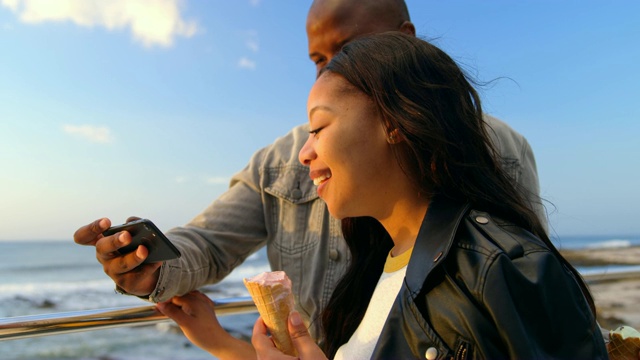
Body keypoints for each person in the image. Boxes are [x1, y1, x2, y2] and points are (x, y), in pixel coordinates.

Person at [74, 0, 544, 342]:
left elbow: (527, 287)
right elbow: (209, 244)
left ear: (405, 40)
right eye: (318, 60)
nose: (328, 74)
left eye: (347, 50)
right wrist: (145, 265)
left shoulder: (496, 147)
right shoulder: (282, 159)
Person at [159, 32, 608, 359]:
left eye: (318, 127)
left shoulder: (501, 268)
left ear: (393, 122)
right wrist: (217, 341)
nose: (303, 152)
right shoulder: (379, 262)